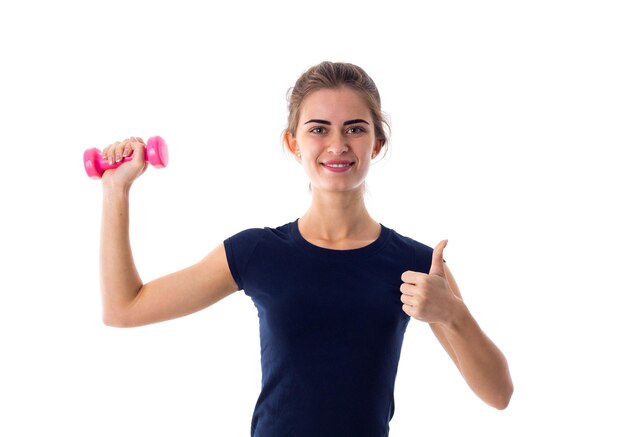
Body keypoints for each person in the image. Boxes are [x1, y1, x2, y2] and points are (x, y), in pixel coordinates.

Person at [98, 61, 513, 436]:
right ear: (293, 143)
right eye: (318, 129)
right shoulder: (257, 251)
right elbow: (124, 308)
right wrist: (117, 190)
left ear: (377, 144)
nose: (337, 145)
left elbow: (499, 394)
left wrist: (453, 313)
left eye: (355, 128)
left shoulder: (418, 265)